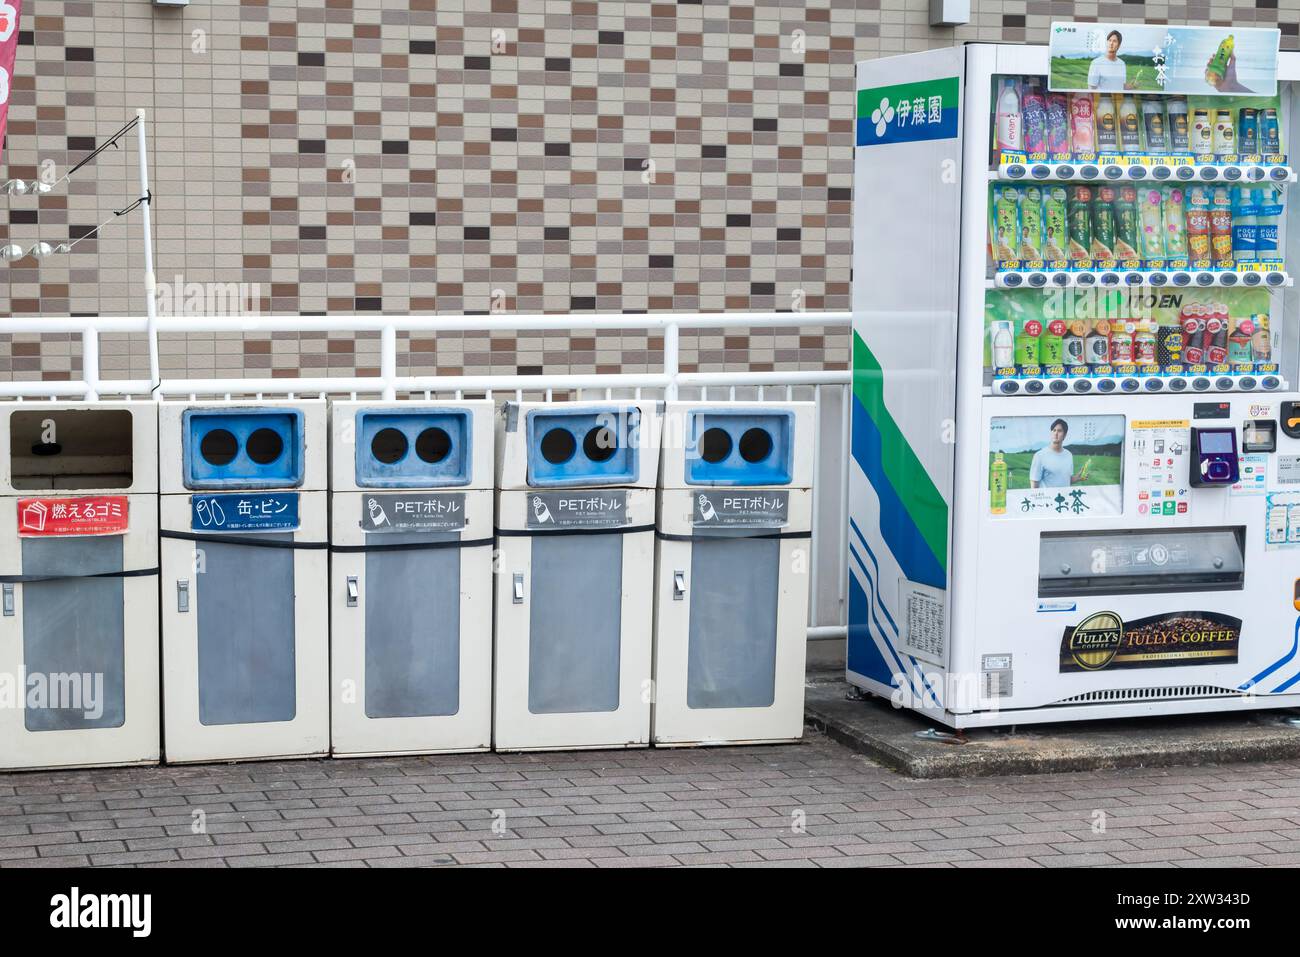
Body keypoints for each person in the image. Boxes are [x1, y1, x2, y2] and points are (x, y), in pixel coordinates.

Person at [1029, 418, 1083, 488]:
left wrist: (1076, 478)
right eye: (1054, 430)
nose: (1056, 433)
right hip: (1047, 498)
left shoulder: (1068, 455)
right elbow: (1034, 485)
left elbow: (1065, 480)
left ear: (1065, 435)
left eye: (1059, 431)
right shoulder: (1039, 456)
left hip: (1065, 497)